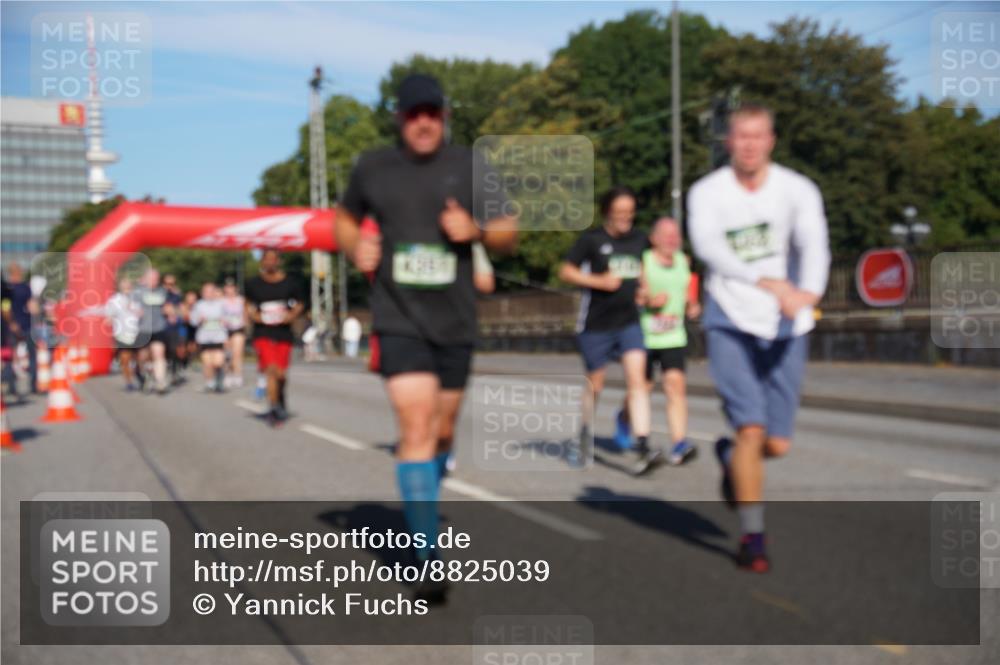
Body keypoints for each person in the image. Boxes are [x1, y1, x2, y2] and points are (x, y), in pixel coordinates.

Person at [337, 73, 516, 604]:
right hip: (398, 318)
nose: (423, 122)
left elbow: (510, 232)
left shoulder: (471, 167)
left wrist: (478, 231)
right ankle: (426, 559)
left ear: (445, 115)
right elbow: (344, 221)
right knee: (415, 425)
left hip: (455, 321)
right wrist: (355, 249)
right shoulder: (374, 167)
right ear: (399, 117)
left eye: (431, 113)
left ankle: (423, 508)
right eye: (414, 113)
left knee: (441, 432)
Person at [689, 103, 830, 572]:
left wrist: (807, 292)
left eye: (758, 136)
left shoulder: (797, 189)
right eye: (740, 136)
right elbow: (710, 248)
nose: (749, 144)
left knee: (776, 444)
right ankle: (753, 537)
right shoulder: (707, 192)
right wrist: (765, 281)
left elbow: (814, 243)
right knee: (751, 428)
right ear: (728, 142)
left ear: (771, 139)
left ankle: (730, 457)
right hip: (730, 314)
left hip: (788, 323)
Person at [558, 186, 658, 474]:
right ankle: (584, 434)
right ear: (607, 213)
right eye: (620, 213)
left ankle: (642, 447)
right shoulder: (591, 240)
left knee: (637, 381)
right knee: (596, 383)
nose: (626, 218)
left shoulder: (640, 239)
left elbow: (643, 270)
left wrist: (646, 290)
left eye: (630, 212)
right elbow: (566, 271)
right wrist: (599, 282)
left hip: (629, 321)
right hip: (596, 325)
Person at [623, 218, 701, 465]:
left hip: (673, 335)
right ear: (654, 238)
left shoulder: (683, 261)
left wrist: (692, 306)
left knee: (675, 385)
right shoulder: (643, 261)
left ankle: (679, 444)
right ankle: (624, 417)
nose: (672, 240)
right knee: (642, 389)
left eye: (676, 235)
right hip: (643, 335)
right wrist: (647, 301)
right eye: (666, 235)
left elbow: (688, 290)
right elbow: (632, 295)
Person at [245, 249, 304, 425]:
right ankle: (274, 407)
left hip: (283, 332)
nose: (270, 263)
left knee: (281, 374)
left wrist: (291, 315)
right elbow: (247, 303)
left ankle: (280, 398)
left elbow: (300, 303)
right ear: (261, 262)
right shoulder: (253, 284)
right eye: (266, 260)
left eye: (273, 259)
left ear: (279, 261)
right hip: (262, 331)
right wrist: (253, 315)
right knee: (271, 369)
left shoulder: (291, 283)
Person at [133, 269, 173, 394]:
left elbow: (167, 305)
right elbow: (130, 305)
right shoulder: (138, 292)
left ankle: (160, 381)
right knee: (142, 356)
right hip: (143, 329)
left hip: (158, 327)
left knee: (159, 353)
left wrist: (170, 312)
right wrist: (135, 311)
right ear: (145, 279)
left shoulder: (162, 291)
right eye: (151, 278)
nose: (154, 281)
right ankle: (143, 374)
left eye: (156, 279)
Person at [3, 264, 37, 396]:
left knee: (11, 357)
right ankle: (33, 385)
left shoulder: (7, 289)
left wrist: (11, 323)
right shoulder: (26, 288)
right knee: (32, 356)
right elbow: (32, 307)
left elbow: (5, 308)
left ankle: (12, 387)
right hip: (27, 325)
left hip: (12, 327)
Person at [104, 277, 143, 391]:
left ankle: (138, 373)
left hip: (138, 332)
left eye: (128, 285)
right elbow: (108, 317)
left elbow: (144, 313)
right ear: (120, 287)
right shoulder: (114, 300)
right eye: (124, 285)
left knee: (139, 358)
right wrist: (109, 320)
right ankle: (129, 382)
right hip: (122, 333)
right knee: (125, 359)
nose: (126, 287)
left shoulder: (137, 299)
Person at [189, 282, 229, 393]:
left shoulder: (221, 304)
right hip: (204, 337)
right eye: (206, 291)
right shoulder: (198, 305)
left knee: (218, 362)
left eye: (211, 291)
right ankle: (210, 383)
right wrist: (199, 320)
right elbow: (193, 321)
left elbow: (228, 319)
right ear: (202, 293)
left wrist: (224, 323)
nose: (208, 294)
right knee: (207, 363)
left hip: (219, 337)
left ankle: (219, 379)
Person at [221, 278, 247, 387]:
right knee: (227, 354)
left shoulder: (241, 300)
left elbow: (245, 313)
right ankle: (228, 374)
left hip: (238, 328)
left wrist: (244, 322)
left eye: (232, 287)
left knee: (237, 353)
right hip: (224, 330)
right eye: (227, 287)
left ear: (235, 289)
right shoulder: (221, 301)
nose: (230, 290)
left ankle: (238, 375)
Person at [162, 273, 186, 384]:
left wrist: (174, 311)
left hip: (176, 328)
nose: (169, 286)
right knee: (164, 352)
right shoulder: (158, 295)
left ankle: (175, 371)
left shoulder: (177, 296)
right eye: (167, 284)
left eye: (172, 284)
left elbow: (183, 311)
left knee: (176, 350)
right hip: (162, 328)